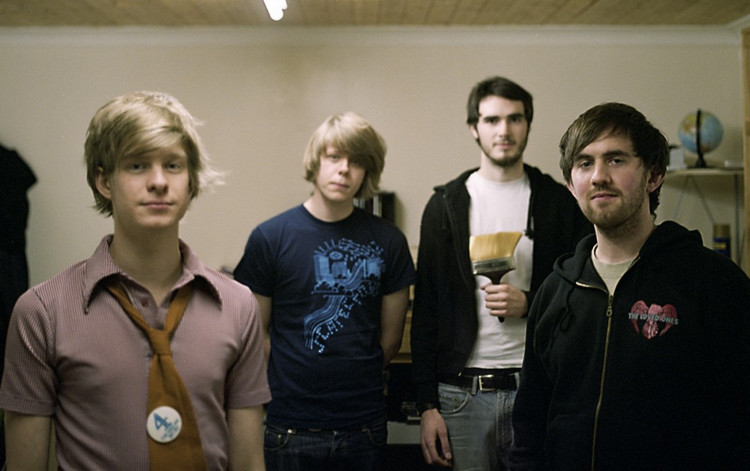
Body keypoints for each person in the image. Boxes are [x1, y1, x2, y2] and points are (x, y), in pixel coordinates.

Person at [0, 91, 270, 470]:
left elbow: (249, 463)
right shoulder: (42, 312)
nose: (158, 182)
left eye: (173, 165)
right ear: (104, 181)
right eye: (137, 165)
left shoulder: (238, 307)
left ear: (191, 181)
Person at [510, 102, 750, 470]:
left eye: (616, 160)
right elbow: (529, 424)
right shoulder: (555, 292)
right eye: (584, 163)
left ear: (654, 176)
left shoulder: (715, 284)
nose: (599, 176)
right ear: (571, 185)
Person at [410, 76, 591, 470]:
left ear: (528, 124)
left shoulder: (559, 202)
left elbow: (584, 294)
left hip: (537, 391)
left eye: (515, 118)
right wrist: (426, 406)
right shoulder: (445, 206)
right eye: (492, 120)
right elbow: (425, 310)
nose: (504, 130)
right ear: (474, 128)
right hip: (460, 395)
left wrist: (530, 303)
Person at [234, 112, 416, 471]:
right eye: (334, 157)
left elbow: (391, 340)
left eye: (356, 161)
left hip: (363, 425)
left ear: (367, 171)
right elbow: (257, 334)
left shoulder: (389, 241)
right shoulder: (270, 237)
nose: (344, 169)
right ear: (316, 161)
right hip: (290, 425)